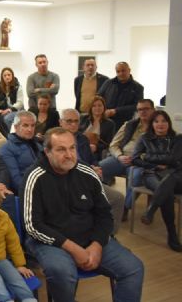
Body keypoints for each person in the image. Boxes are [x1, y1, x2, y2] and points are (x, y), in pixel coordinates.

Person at [22, 127, 144, 302]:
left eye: (72, 148)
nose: (69, 154)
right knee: (62, 272)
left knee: (134, 268)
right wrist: (74, 249)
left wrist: (97, 245)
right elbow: (33, 226)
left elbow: (104, 214)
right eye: (61, 149)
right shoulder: (34, 177)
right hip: (51, 241)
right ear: (47, 152)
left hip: (89, 238)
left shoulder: (86, 172)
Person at [132, 110, 182, 251]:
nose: (160, 124)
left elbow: (174, 159)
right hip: (151, 174)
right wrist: (154, 165)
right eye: (156, 121)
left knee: (169, 181)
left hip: (177, 176)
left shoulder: (178, 138)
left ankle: (151, 210)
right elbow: (135, 159)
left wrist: (148, 156)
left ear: (169, 123)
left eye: (164, 121)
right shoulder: (144, 138)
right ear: (152, 124)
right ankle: (172, 235)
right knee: (167, 192)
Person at [99, 99, 155, 217]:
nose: (143, 112)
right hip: (121, 158)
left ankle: (124, 206)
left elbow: (158, 152)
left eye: (146, 109)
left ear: (153, 110)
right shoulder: (129, 124)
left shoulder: (158, 127)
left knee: (135, 178)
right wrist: (120, 156)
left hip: (139, 162)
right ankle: (100, 202)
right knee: (99, 168)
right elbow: (113, 144)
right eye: (140, 109)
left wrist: (138, 158)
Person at [0, 111, 42, 194]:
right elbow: (16, 181)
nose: (30, 129)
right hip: (27, 193)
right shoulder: (6, 149)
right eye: (25, 125)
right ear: (16, 127)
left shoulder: (38, 145)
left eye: (32, 125)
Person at [97, 61, 144, 130]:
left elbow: (137, 106)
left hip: (125, 122)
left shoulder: (138, 87)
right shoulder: (108, 83)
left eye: (123, 71)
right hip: (105, 119)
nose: (121, 73)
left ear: (129, 70)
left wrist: (116, 111)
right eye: (118, 71)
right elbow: (98, 97)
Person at [78, 95, 116, 163]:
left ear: (104, 107)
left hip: (97, 152)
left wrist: (96, 147)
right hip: (80, 147)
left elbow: (109, 143)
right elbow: (77, 134)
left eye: (99, 105)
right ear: (90, 108)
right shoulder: (83, 118)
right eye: (94, 106)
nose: (97, 108)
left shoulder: (110, 124)